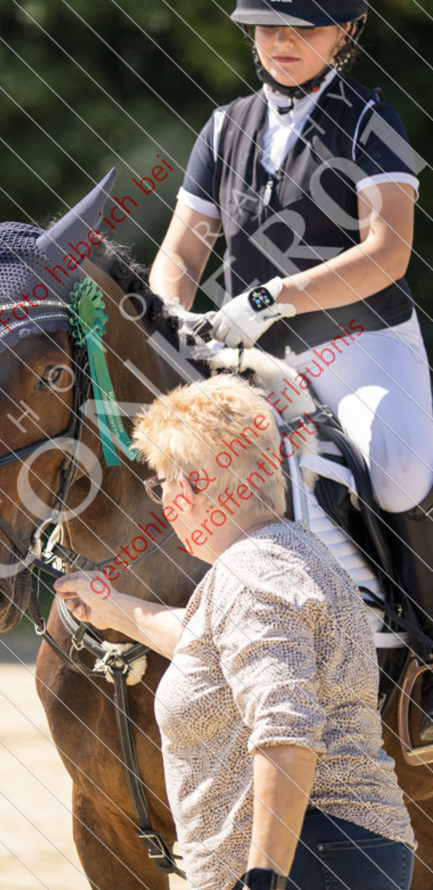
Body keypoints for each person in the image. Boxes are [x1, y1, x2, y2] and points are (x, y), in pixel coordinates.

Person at [148, 0, 433, 739]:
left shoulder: (372, 120)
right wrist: (173, 316)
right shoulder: (223, 126)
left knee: (399, 473)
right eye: (265, 27)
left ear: (345, 31)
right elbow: (182, 251)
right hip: (249, 357)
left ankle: (420, 655)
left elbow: (386, 251)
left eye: (302, 27)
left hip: (360, 345)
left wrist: (273, 295)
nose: (279, 41)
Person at [55, 375, 415, 890]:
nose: (162, 501)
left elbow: (286, 734)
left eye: (161, 485)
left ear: (191, 488)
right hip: (333, 852)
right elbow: (210, 647)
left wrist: (264, 877)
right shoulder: (285, 551)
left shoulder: (250, 575)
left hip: (305, 860)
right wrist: (113, 608)